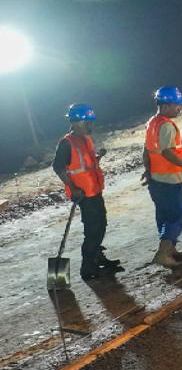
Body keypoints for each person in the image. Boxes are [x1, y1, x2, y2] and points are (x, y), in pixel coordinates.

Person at [51, 103, 122, 282]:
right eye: (86, 123)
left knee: (101, 225)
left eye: (91, 122)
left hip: (95, 190)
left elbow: (85, 164)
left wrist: (99, 157)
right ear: (74, 122)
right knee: (92, 229)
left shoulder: (87, 140)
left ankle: (97, 256)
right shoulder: (66, 143)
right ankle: (87, 267)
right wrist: (72, 188)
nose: (90, 126)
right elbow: (58, 167)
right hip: (83, 194)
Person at [143, 85, 182, 268]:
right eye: (177, 104)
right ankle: (163, 253)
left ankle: (170, 250)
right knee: (176, 216)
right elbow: (168, 153)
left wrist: (148, 171)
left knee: (164, 216)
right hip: (169, 180)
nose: (180, 108)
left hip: (157, 179)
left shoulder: (153, 122)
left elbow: (147, 150)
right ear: (167, 104)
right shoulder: (167, 125)